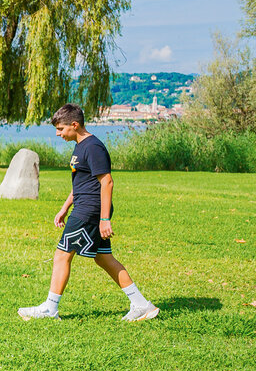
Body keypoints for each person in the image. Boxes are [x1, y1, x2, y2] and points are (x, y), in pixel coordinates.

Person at [19, 103, 158, 321]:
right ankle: (141, 304)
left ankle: (50, 308)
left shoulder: (93, 147)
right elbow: (81, 183)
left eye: (61, 129)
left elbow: (107, 182)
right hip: (84, 206)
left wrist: (104, 219)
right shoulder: (80, 146)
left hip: (90, 210)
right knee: (103, 258)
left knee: (62, 255)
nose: (58, 134)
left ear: (74, 125)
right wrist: (65, 207)